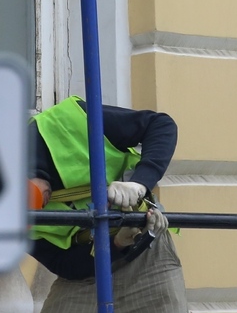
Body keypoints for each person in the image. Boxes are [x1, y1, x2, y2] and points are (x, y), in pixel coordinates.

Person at [29, 96, 187, 313]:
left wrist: (139, 183)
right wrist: (117, 244)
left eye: (31, 196)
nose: (37, 207)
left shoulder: (67, 121)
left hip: (147, 256)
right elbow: (62, 263)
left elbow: (160, 125)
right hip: (88, 273)